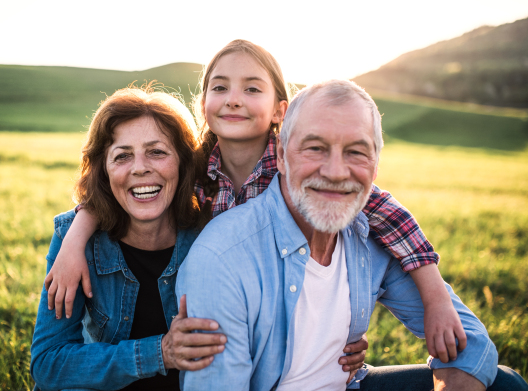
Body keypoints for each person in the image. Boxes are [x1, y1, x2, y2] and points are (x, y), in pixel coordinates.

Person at [45, 40, 462, 372]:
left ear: (281, 109)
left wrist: (431, 298)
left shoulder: (300, 170)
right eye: (220, 87)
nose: (233, 99)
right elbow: (130, 184)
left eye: (252, 88)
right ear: (204, 103)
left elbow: (382, 211)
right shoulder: (197, 172)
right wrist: (75, 238)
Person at [176, 79, 528, 391]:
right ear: (281, 155)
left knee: (505, 383)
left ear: (376, 165)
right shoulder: (220, 257)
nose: (335, 171)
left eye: (356, 152)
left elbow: (471, 343)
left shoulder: (370, 239)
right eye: (315, 148)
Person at [30, 87, 228, 390]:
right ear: (104, 171)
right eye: (122, 156)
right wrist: (159, 353)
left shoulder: (212, 232)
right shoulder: (75, 239)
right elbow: (48, 364)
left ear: (183, 162)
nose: (139, 168)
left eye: (157, 152)